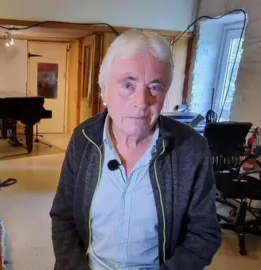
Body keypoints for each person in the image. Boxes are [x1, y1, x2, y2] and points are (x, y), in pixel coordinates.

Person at [50, 29, 222, 270]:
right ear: (104, 90)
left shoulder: (191, 149)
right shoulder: (83, 139)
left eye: (155, 86)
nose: (142, 101)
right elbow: (62, 217)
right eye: (128, 84)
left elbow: (205, 234)